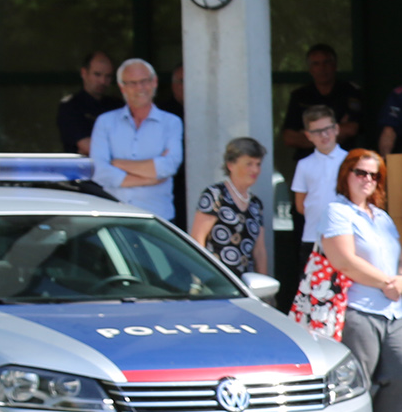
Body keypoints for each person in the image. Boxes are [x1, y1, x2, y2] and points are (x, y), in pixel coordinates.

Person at [322, 149, 402, 412]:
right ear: (346, 175)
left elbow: (400, 259)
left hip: (393, 311)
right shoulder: (337, 212)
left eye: (374, 175)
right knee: (358, 385)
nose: (367, 179)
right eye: (360, 172)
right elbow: (344, 261)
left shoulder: (383, 217)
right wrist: (386, 282)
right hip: (357, 309)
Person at [90, 59, 183, 221]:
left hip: (158, 218)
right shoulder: (105, 122)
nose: (139, 88)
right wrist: (149, 178)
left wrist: (118, 163)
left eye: (144, 81)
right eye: (132, 83)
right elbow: (98, 171)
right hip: (113, 215)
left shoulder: (171, 123)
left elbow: (168, 166)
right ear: (122, 87)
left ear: (154, 82)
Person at [191, 136, 272, 277]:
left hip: (245, 283)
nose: (255, 169)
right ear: (231, 165)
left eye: (258, 164)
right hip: (216, 280)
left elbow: (259, 250)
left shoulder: (255, 204)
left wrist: (266, 289)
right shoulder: (215, 195)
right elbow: (198, 240)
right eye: (249, 164)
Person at [290, 108, 349, 276]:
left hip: (345, 237)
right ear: (308, 136)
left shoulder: (350, 160)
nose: (324, 135)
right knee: (313, 291)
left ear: (336, 129)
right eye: (316, 131)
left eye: (327, 129)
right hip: (312, 237)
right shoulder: (304, 164)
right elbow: (300, 205)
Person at [281, 43, 363, 151]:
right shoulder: (300, 95)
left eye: (326, 63)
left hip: (344, 159)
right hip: (308, 160)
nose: (322, 68)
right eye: (316, 64)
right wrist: (334, 133)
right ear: (310, 69)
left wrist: (309, 135)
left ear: (335, 65)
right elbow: (289, 138)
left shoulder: (350, 91)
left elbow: (351, 129)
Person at [56, 49, 117, 154]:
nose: (102, 81)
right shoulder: (70, 106)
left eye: (108, 76)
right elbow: (87, 147)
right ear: (84, 73)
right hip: (81, 169)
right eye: (97, 74)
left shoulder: (117, 105)